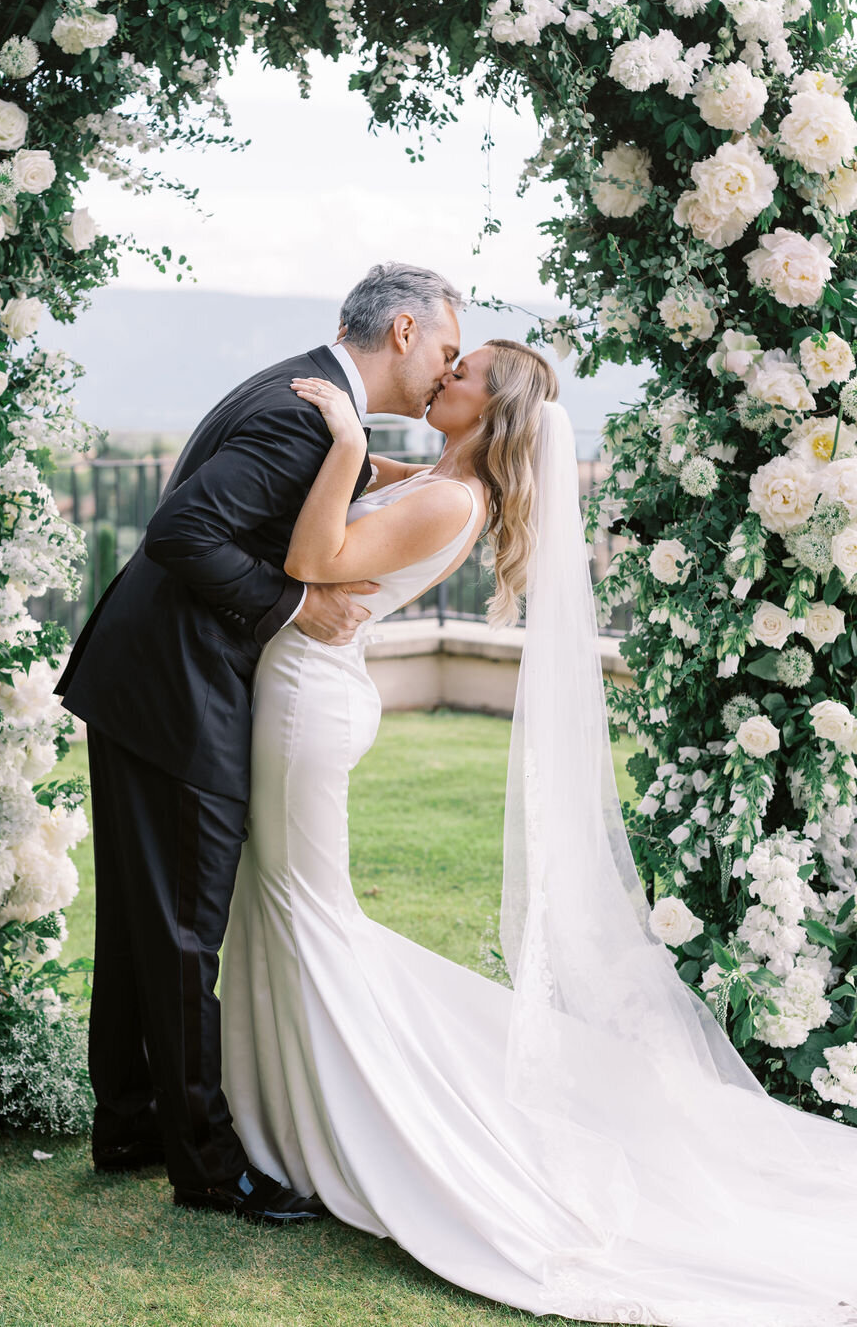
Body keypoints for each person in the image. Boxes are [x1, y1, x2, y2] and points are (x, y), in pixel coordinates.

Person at [220, 340, 857, 1324]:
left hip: (307, 704)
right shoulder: (435, 479)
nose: (442, 376)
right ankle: (280, 1130)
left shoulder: (448, 500)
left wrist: (348, 438)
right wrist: (374, 458)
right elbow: (383, 500)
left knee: (309, 916)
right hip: (299, 693)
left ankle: (361, 1133)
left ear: (491, 410)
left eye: (461, 373)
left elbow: (310, 563)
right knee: (286, 908)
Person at [54, 262, 461, 1223]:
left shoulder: (304, 392)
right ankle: (209, 1164)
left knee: (143, 922)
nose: (446, 372)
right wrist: (296, 603)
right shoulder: (305, 411)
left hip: (140, 678)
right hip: (176, 689)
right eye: (445, 349)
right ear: (402, 332)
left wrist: (397, 468)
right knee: (191, 924)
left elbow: (271, 493)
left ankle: (130, 1120)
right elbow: (182, 528)